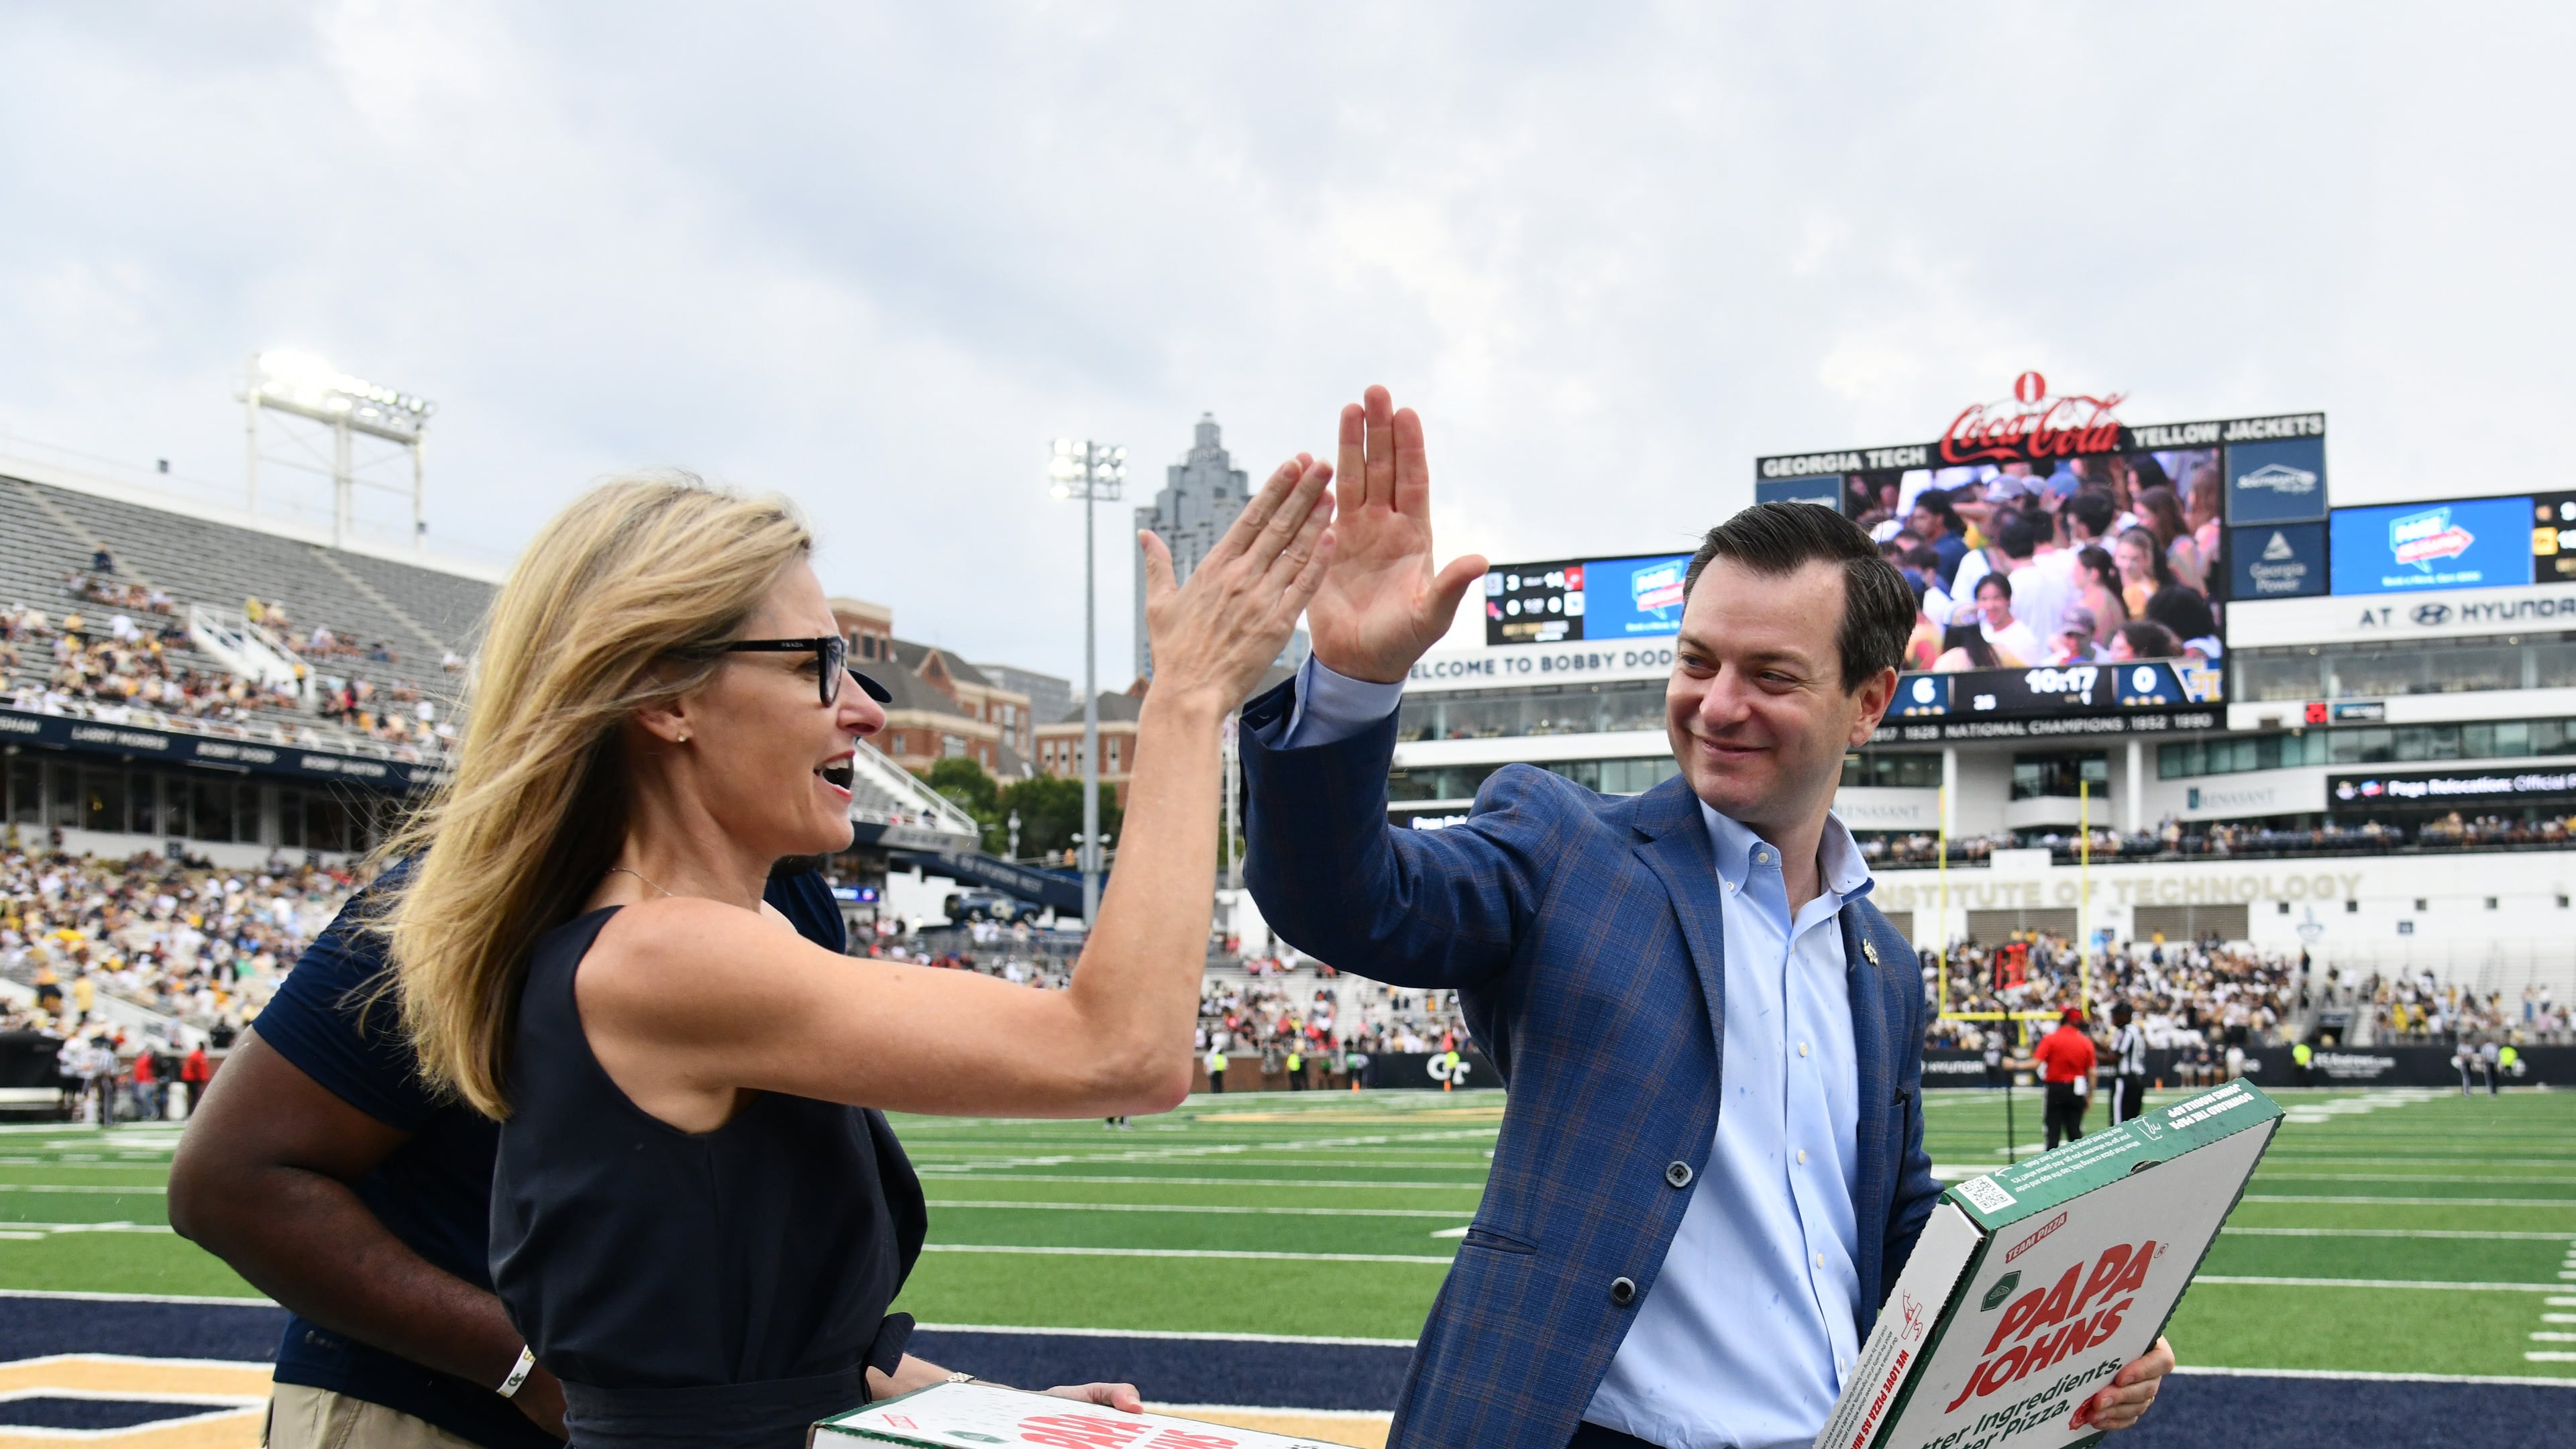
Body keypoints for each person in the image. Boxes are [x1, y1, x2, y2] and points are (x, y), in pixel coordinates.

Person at [1240, 387, 2172, 1449]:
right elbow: (1347, 901)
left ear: (1869, 703)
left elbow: (1894, 1223)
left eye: (1770, 675)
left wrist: (2067, 1350)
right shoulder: (1562, 847)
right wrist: (1356, 681)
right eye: (1697, 662)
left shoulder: (1882, 963)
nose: (1718, 704)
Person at [383, 469, 1330, 1449]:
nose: (867, 712)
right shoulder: (665, 955)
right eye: (813, 666)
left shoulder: (718, 940)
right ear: (663, 696)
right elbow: (1124, 1051)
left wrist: (1002, 1410)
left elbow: (786, 1359)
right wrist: (1187, 697)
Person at [172, 859, 851, 1449]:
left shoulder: (795, 901)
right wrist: (524, 1365)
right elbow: (227, 1181)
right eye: (818, 696)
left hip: (671, 1414)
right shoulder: (481, 889)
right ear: (670, 714)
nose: (861, 715)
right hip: (430, 1412)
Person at [2017, 1007, 2097, 1150]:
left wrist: (2013, 1064)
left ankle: (2051, 1169)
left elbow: (2036, 1063)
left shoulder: (2051, 1039)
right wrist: (2090, 1096)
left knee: (2053, 1133)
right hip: (2077, 1088)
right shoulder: (2085, 1042)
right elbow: (2092, 1073)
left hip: (2056, 1088)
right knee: (2075, 1131)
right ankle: (2082, 1166)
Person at [2108, 1002, 2148, 1125]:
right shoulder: (2135, 1030)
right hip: (2137, 1080)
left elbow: (2116, 1056)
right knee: (2132, 1122)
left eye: (2115, 1015)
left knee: (2118, 1122)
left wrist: (2092, 1054)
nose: (2113, 1019)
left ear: (2124, 1016)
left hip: (2126, 1080)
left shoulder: (2127, 1031)